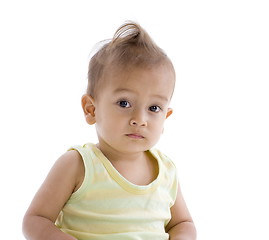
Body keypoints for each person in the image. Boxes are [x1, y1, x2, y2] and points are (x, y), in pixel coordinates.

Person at [22, 21, 196, 240]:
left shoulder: (167, 172)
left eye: (154, 108)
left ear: (165, 117)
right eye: (124, 103)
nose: (139, 120)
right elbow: (36, 220)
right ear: (91, 109)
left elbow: (183, 223)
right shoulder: (78, 165)